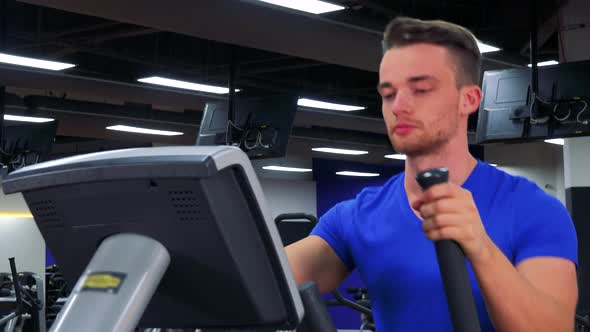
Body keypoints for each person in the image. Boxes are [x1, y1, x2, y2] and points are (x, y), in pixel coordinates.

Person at [285, 16, 579, 332]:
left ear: (469, 99)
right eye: (388, 94)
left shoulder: (535, 210)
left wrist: (480, 247)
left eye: (421, 89)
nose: (398, 106)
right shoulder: (356, 216)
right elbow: (264, 281)